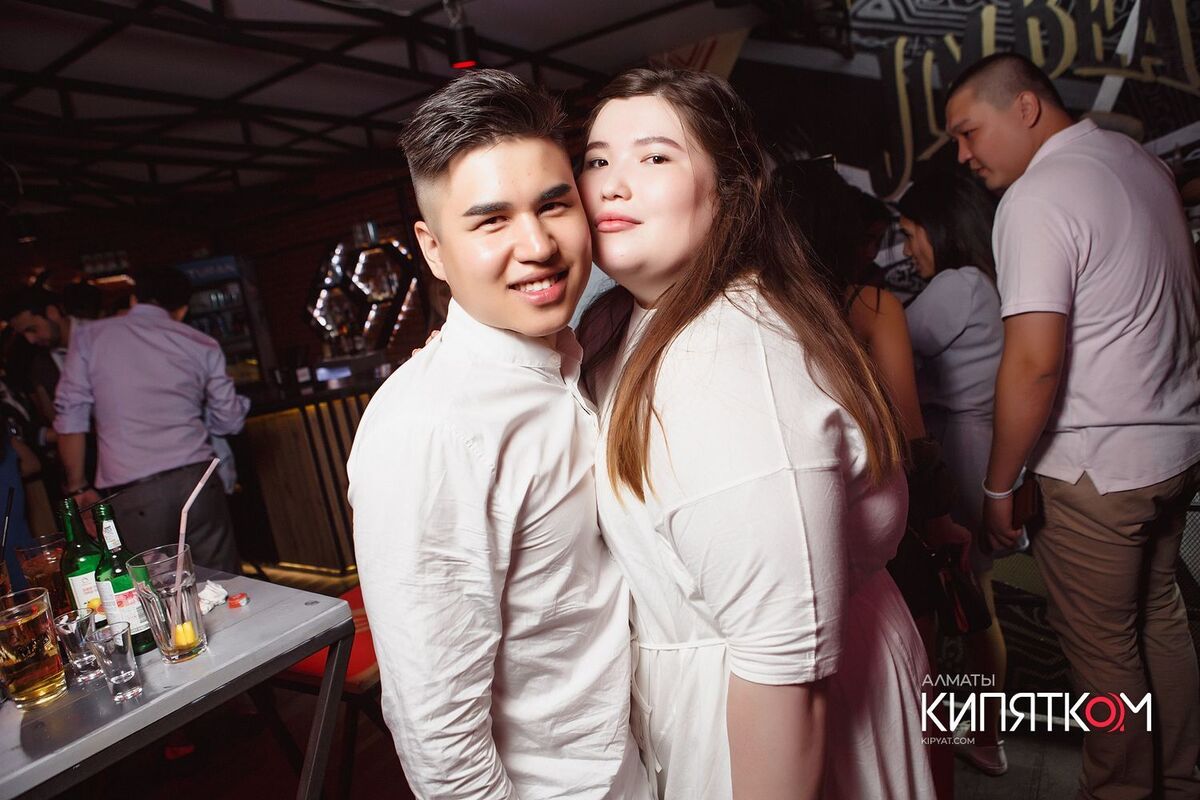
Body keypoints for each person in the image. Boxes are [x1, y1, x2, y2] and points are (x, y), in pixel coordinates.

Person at [578, 68, 934, 799]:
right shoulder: (627, 321)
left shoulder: (732, 363)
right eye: (597, 160)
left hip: (767, 722)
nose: (613, 184)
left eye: (655, 156)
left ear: (732, 190)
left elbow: (784, 669)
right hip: (714, 700)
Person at [346, 70, 651, 800]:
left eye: (554, 205)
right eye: (491, 222)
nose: (538, 244)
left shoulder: (583, 353)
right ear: (433, 249)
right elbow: (438, 735)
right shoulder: (430, 428)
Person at [947, 52, 1200, 799]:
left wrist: (1000, 487)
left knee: (1104, 656)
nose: (963, 156)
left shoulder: (1038, 195)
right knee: (1159, 622)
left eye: (968, 131)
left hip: (1098, 470)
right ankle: (1177, 782)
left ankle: (1121, 790)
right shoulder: (1139, 164)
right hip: (1174, 450)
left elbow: (1033, 364)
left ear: (1025, 107)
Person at [898, 168, 1009, 775]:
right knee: (971, 598)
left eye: (910, 234)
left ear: (939, 228)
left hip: (956, 450)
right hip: (975, 444)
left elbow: (892, 339)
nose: (908, 250)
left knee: (961, 602)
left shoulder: (957, 284)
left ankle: (961, 738)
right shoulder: (984, 282)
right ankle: (981, 736)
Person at [54, 267, 247, 573]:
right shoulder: (201, 342)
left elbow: (71, 416)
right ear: (182, 308)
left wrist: (77, 486)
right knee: (222, 581)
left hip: (135, 492)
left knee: (150, 587)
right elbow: (230, 422)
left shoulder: (91, 337)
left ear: (134, 299)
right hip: (198, 481)